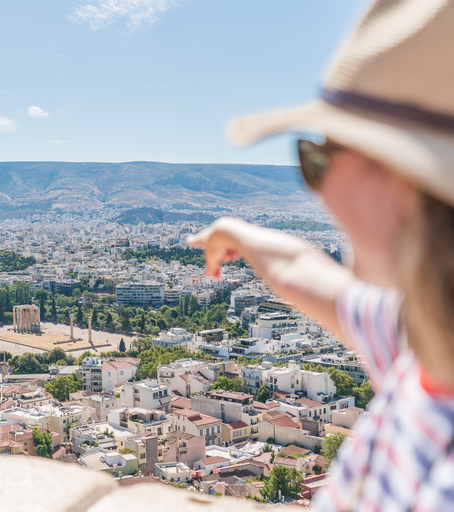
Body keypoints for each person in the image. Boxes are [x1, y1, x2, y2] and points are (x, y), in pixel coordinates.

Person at [189, 0, 454, 509]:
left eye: (318, 159)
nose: (316, 192)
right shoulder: (422, 335)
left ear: (399, 177)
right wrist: (236, 232)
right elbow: (302, 270)